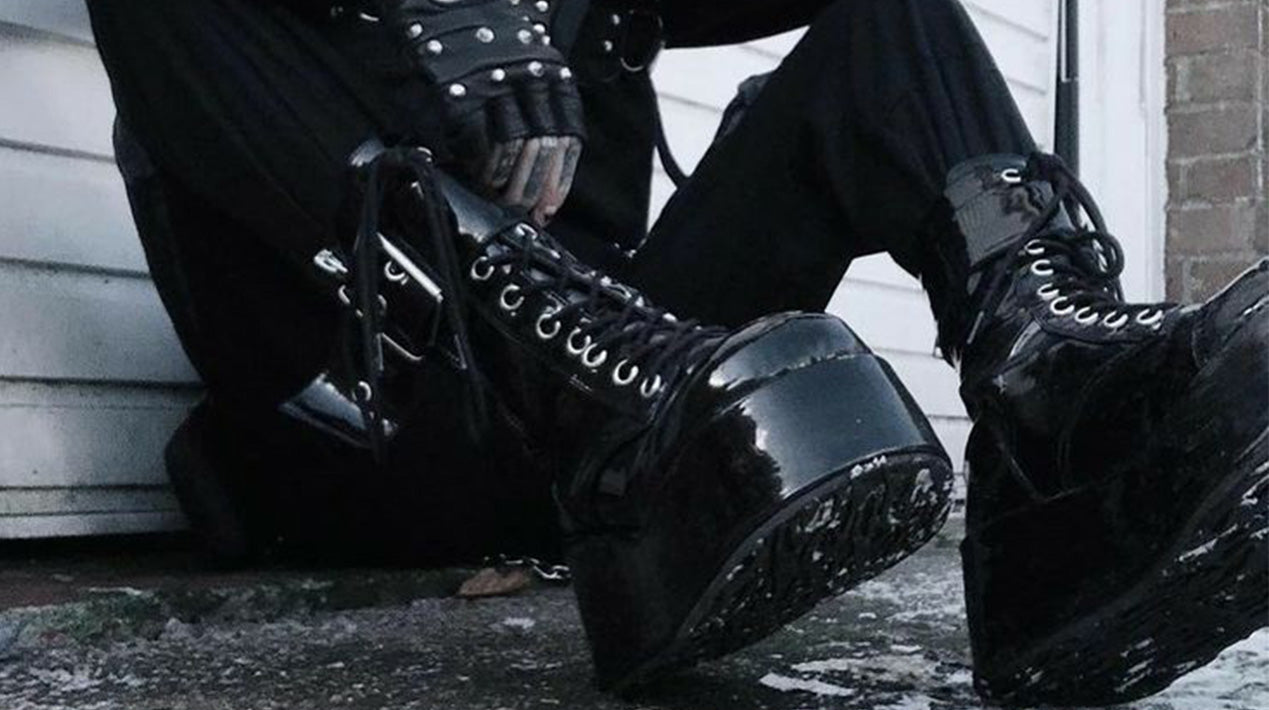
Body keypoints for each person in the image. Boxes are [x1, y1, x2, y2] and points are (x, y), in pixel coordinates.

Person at [85, 0, 1266, 705]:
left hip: (646, 421)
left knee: (888, 23)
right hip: (379, 432)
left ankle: (1059, 416)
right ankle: (613, 409)